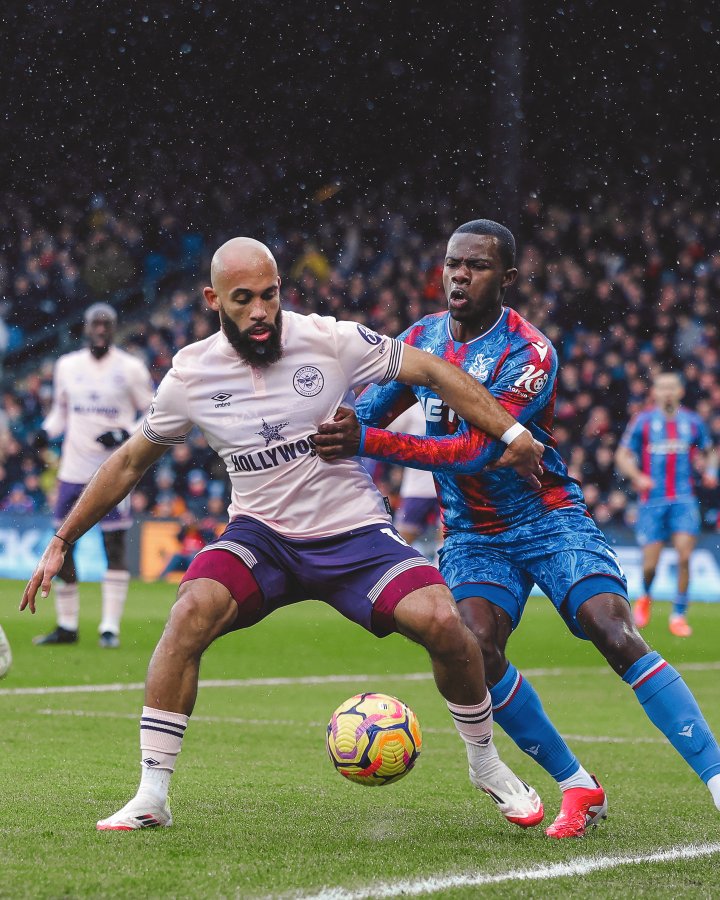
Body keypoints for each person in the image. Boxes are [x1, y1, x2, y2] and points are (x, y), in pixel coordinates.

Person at [21, 237, 546, 832]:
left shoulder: (327, 339)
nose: (261, 312)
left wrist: (512, 435)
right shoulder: (190, 373)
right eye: (243, 300)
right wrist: (64, 538)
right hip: (261, 538)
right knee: (189, 610)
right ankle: (151, 794)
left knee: (446, 624)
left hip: (354, 534)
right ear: (213, 299)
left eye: (269, 295)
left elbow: (432, 370)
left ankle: (485, 763)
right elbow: (129, 462)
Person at [314, 219, 720, 837]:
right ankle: (578, 784)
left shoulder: (528, 353)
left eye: (475, 266)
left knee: (610, 627)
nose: (458, 275)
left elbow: (477, 448)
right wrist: (331, 428)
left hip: (548, 516)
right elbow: (368, 411)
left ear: (505, 278)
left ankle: (717, 780)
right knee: (475, 648)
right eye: (452, 263)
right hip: (474, 536)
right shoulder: (419, 340)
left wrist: (367, 440)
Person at [33, 302, 154, 648]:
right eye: (95, 324)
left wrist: (123, 433)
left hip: (113, 470)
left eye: (107, 325)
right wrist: (44, 431)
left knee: (113, 545)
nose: (100, 330)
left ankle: (109, 627)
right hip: (72, 469)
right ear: (85, 328)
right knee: (63, 544)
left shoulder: (130, 368)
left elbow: (152, 410)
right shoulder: (67, 366)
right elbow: (60, 413)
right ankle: (67, 626)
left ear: (114, 329)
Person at [616, 372, 716, 637]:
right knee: (650, 565)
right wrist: (637, 477)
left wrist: (711, 472)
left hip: (683, 500)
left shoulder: (692, 422)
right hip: (652, 502)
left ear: (680, 392)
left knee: (685, 557)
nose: (668, 392)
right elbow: (622, 455)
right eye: (663, 388)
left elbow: (710, 452)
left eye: (672, 387)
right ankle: (646, 596)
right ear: (655, 393)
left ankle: (679, 614)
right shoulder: (644, 421)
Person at [389, 404, 442, 559]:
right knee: (401, 541)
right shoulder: (412, 405)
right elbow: (387, 430)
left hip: (447, 485)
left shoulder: (453, 400)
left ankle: (445, 578)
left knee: (447, 537)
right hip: (417, 486)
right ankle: (396, 572)